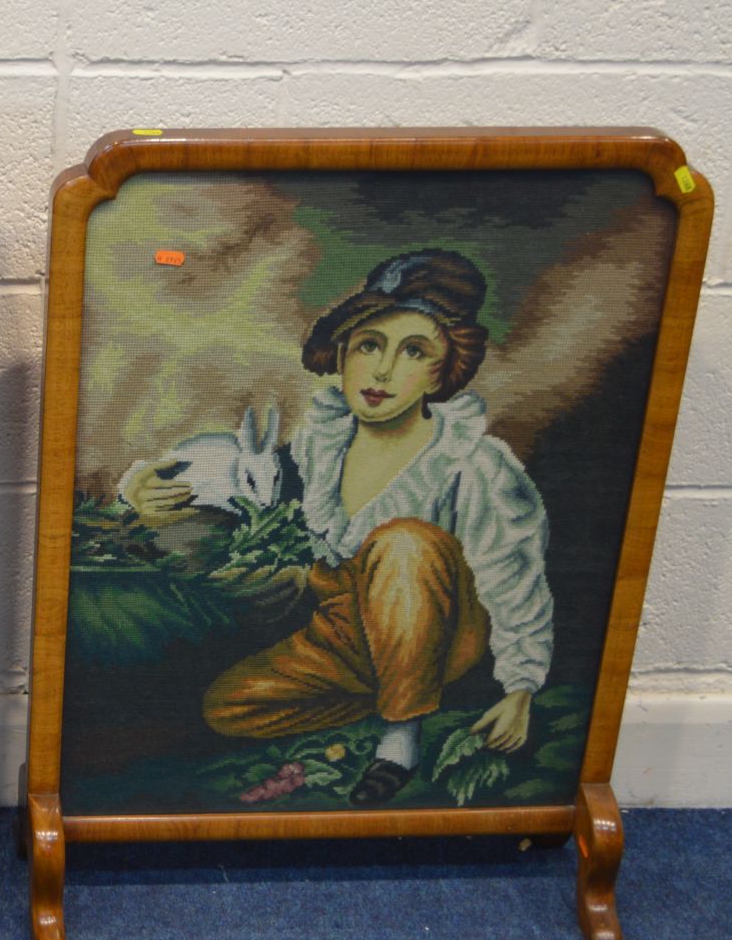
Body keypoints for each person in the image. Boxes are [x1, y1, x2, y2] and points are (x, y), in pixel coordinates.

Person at [122, 249, 553, 804]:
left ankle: (401, 737)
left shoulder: (469, 461)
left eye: (413, 352)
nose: (381, 371)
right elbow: (243, 473)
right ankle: (381, 703)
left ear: (441, 371)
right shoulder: (319, 446)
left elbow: (513, 575)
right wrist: (144, 486)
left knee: (403, 545)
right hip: (349, 640)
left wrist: (521, 686)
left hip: (441, 632)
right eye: (369, 345)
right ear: (344, 353)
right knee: (229, 706)